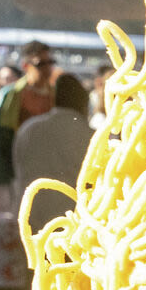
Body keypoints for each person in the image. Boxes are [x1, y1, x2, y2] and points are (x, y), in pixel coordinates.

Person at [14, 74, 95, 231]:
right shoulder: (91, 137)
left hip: (28, 220)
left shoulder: (28, 129)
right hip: (73, 223)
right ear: (84, 104)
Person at [0, 40, 58, 187]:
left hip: (48, 168)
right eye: (40, 64)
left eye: (50, 62)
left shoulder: (57, 95)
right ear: (26, 66)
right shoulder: (11, 95)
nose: (47, 69)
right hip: (16, 170)